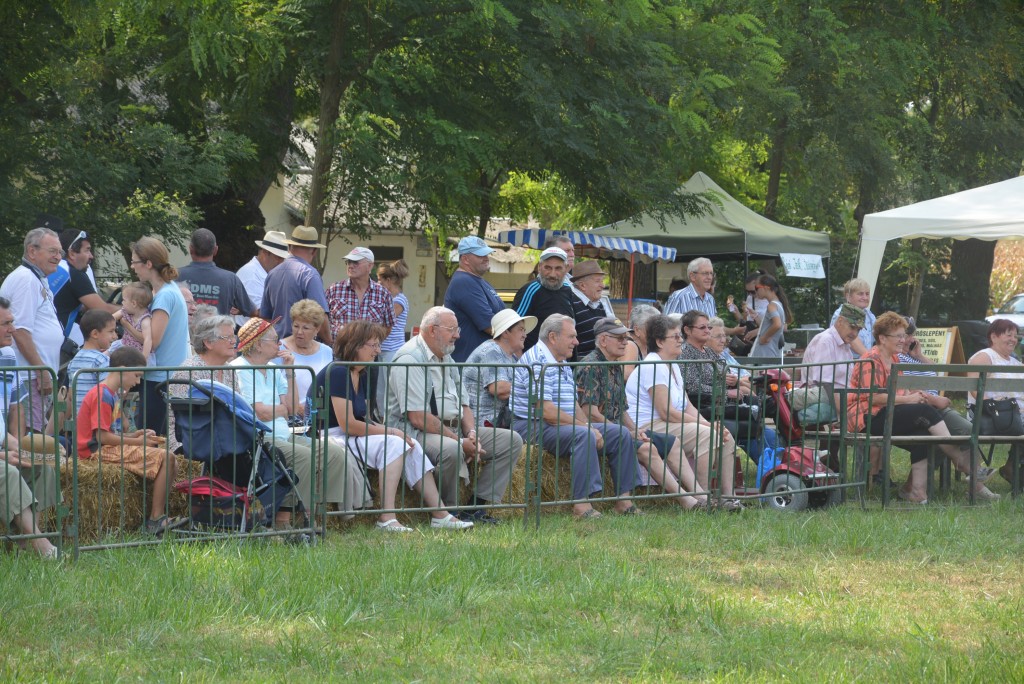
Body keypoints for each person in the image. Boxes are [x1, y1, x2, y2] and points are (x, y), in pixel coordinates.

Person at [314, 321, 472, 531]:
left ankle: (440, 514)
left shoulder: (363, 372)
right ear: (356, 345)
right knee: (395, 443)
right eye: (373, 345)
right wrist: (392, 431)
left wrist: (392, 432)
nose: (378, 351)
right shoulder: (338, 372)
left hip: (349, 435)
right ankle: (386, 517)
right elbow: (348, 424)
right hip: (331, 436)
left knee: (411, 443)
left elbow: (365, 418)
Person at [231, 317, 372, 525]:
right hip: (260, 438)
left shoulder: (273, 367)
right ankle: (284, 519)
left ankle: (313, 514)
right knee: (305, 457)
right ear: (258, 344)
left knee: (334, 454)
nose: (280, 343)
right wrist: (280, 409)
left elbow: (292, 408)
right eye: (274, 339)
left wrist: (289, 371)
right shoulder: (240, 368)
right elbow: (259, 413)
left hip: (283, 434)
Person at [847, 312, 997, 504]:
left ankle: (916, 492)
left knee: (927, 433)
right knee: (926, 413)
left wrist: (921, 397)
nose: (904, 340)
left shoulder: (894, 359)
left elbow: (902, 391)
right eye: (899, 336)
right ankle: (961, 463)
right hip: (867, 418)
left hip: (888, 413)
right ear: (882, 338)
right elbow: (872, 397)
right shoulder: (871, 359)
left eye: (904, 335)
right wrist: (910, 399)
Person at [387, 307, 520, 523]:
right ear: (432, 330)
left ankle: (476, 507)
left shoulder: (446, 356)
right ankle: (447, 513)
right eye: (452, 330)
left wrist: (472, 434)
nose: (458, 335)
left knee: (511, 441)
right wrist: (459, 441)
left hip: (451, 429)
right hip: (413, 432)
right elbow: (418, 417)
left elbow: (465, 403)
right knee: (451, 450)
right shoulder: (410, 358)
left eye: (457, 329)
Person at [512, 314, 641, 518]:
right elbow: (546, 412)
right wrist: (586, 428)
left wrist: (587, 423)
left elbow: (572, 404)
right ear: (553, 337)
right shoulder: (538, 361)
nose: (577, 342)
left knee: (620, 434)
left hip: (555, 424)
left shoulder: (559, 361)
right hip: (531, 425)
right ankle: (581, 506)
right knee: (583, 436)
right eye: (572, 336)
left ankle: (624, 502)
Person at [578, 317, 706, 511]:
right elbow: (590, 413)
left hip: (617, 429)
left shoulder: (615, 366)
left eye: (625, 337)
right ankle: (685, 501)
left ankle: (700, 496)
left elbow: (621, 410)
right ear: (603, 340)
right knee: (647, 449)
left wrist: (635, 430)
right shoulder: (591, 366)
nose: (625, 342)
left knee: (672, 443)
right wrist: (625, 431)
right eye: (619, 338)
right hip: (598, 430)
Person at [626, 314, 741, 510]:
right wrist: (707, 426)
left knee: (726, 437)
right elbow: (666, 412)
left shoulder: (673, 365)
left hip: (668, 422)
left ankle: (728, 498)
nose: (681, 340)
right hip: (649, 425)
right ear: (660, 342)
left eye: (680, 336)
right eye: (676, 337)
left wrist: (709, 423)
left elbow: (687, 406)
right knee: (708, 435)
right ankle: (704, 499)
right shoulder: (653, 365)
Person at [77, 346, 186, 535]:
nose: (138, 381)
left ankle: (157, 515)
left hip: (104, 446)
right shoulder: (102, 395)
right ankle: (155, 519)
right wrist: (139, 443)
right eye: (136, 375)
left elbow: (109, 433)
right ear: (122, 369)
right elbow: (101, 437)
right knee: (167, 458)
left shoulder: (111, 394)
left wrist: (134, 436)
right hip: (94, 451)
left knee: (172, 462)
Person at [0, 296, 59, 558]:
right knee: (8, 473)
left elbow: (16, 408)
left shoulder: (7, 356)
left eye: (12, 322)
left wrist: (20, 447)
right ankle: (43, 547)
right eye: (5, 324)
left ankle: (24, 542)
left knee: (40, 466)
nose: (12, 329)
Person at [1, 227, 65, 438]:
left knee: (34, 439)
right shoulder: (26, 279)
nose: (58, 257)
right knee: (30, 441)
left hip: (33, 375)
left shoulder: (35, 278)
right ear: (32, 251)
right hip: (29, 376)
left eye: (60, 252)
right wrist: (42, 371)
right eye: (53, 251)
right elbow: (19, 331)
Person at [130, 237, 190, 434]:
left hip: (160, 379)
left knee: (150, 440)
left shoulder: (164, 295)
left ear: (148, 263)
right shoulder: (168, 290)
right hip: (166, 376)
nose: (132, 267)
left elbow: (153, 341)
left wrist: (124, 324)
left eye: (134, 262)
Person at [967, 318, 1024, 487]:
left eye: (1016, 336)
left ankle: (1012, 467)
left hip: (1016, 416)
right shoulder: (984, 357)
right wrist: (997, 408)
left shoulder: (1015, 363)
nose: (1014, 339)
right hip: (992, 415)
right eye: (1009, 335)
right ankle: (1013, 469)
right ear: (993, 336)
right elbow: (975, 390)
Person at [463, 309, 535, 431]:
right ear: (506, 332)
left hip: (494, 424)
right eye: (521, 330)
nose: (525, 335)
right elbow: (499, 389)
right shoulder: (492, 351)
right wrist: (534, 387)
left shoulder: (510, 357)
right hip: (477, 426)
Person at [260, 225, 332, 342]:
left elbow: (265, 316)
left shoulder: (272, 273)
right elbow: (320, 317)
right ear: (314, 251)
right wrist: (330, 342)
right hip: (302, 346)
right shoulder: (310, 275)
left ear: (289, 247)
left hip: (276, 345)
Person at [51, 229, 119, 346]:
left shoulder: (55, 269)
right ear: (72, 253)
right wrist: (134, 310)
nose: (91, 256)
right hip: (52, 342)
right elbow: (103, 310)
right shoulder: (73, 275)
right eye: (87, 250)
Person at [444, 236, 506, 362]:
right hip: (470, 365)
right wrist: (514, 337)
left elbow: (503, 315)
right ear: (465, 259)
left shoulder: (479, 281)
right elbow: (489, 325)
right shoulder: (464, 282)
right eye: (480, 255)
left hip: (483, 364)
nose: (486, 258)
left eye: (486, 254)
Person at [177, 228, 256, 318]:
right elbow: (252, 311)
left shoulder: (174, 275)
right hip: (217, 331)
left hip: (185, 332)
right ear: (215, 250)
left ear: (191, 249)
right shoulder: (231, 279)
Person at [278, 299, 334, 422]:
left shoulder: (327, 351)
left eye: (306, 328)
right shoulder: (280, 348)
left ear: (317, 329)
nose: (299, 332)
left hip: (319, 417)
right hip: (289, 416)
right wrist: (297, 407)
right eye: (296, 326)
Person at [802, 303, 866, 408]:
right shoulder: (826, 341)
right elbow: (823, 384)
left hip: (842, 398)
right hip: (825, 401)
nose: (854, 333)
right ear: (840, 321)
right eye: (852, 327)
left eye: (858, 330)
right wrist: (843, 413)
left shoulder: (844, 343)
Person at [512, 246, 575, 351]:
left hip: (562, 361)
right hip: (536, 362)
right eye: (548, 268)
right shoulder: (530, 290)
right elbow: (514, 327)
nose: (552, 274)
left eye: (558, 268)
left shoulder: (567, 289)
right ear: (539, 267)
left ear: (566, 268)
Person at [325, 246, 395, 339]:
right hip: (337, 351)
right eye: (348, 262)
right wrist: (330, 342)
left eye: (355, 262)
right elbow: (321, 320)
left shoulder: (383, 294)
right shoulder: (334, 290)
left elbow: (388, 326)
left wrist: (371, 344)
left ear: (370, 266)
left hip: (368, 352)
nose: (350, 265)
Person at [664, 258, 743, 335]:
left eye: (711, 273)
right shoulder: (678, 297)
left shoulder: (710, 299)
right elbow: (666, 327)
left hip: (707, 348)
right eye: (705, 273)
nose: (709, 277)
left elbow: (714, 327)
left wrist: (734, 331)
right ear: (692, 276)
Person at [375, 259, 411, 414]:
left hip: (392, 350)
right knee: (380, 389)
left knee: (388, 390)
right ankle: (383, 417)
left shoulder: (399, 300)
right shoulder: (389, 299)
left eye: (379, 280)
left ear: (388, 281)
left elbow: (385, 320)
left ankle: (389, 418)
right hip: (383, 350)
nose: (378, 284)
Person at [66, 310, 117, 413]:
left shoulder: (74, 361)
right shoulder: (102, 360)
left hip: (81, 421)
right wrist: (122, 417)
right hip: (99, 420)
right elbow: (108, 392)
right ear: (95, 334)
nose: (115, 336)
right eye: (111, 331)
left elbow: (71, 395)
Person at [235, 230, 290, 326]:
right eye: (278, 257)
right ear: (265, 252)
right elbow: (261, 313)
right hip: (248, 335)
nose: (281, 262)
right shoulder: (252, 275)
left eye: (283, 258)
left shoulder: (265, 272)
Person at [568, 260, 611, 359]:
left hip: (603, 362)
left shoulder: (602, 302)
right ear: (583, 285)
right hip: (583, 365)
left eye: (602, 280)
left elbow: (615, 326)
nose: (603, 285)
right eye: (597, 281)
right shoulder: (571, 303)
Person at [745, 274, 792, 359]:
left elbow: (777, 324)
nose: (755, 292)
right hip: (771, 354)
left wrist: (764, 337)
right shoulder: (779, 304)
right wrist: (755, 316)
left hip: (765, 354)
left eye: (757, 288)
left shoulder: (771, 306)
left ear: (766, 287)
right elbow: (767, 326)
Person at [830, 278, 877, 356]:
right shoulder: (841, 314)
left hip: (865, 363)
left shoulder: (869, 315)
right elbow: (852, 340)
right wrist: (872, 360)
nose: (865, 297)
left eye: (867, 294)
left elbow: (881, 336)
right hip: (846, 364)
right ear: (848, 296)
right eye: (860, 294)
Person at [113, 281, 155, 365]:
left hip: (137, 353)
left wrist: (143, 358)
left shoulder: (145, 320)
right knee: (109, 353)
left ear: (133, 303)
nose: (122, 302)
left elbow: (148, 340)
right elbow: (111, 319)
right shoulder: (125, 311)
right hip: (124, 344)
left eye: (124, 300)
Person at [620, 303, 660, 378]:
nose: (658, 332)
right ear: (637, 330)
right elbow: (626, 375)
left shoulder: (648, 346)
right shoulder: (630, 345)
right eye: (652, 328)